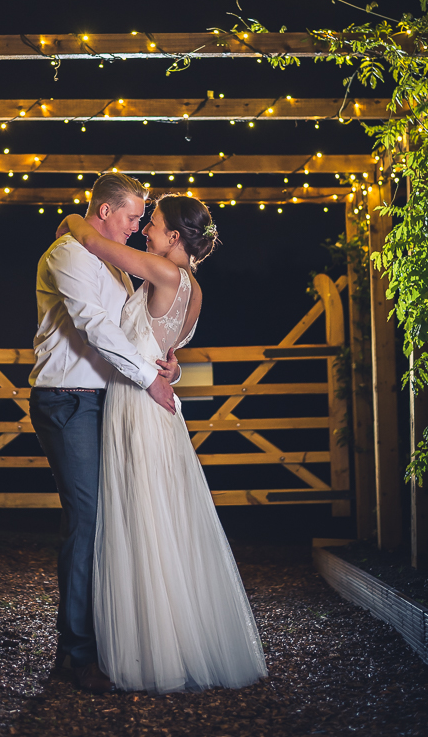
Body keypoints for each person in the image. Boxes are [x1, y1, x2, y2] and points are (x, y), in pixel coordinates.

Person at [57, 192, 267, 694]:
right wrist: (173, 367)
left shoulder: (161, 270)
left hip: (135, 403)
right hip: (162, 406)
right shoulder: (194, 290)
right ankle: (168, 635)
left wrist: (68, 214)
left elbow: (92, 241)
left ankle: (148, 649)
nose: (145, 230)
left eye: (151, 223)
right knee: (161, 516)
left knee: (139, 516)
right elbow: (165, 351)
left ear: (174, 237)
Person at [29, 173, 179, 694]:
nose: (139, 228)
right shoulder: (68, 255)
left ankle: (105, 641)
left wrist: (164, 369)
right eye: (134, 216)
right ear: (104, 211)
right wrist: (148, 381)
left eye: (143, 219)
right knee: (87, 519)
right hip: (68, 400)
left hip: (106, 401)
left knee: (110, 518)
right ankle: (75, 654)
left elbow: (132, 331)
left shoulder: (112, 264)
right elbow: (96, 329)